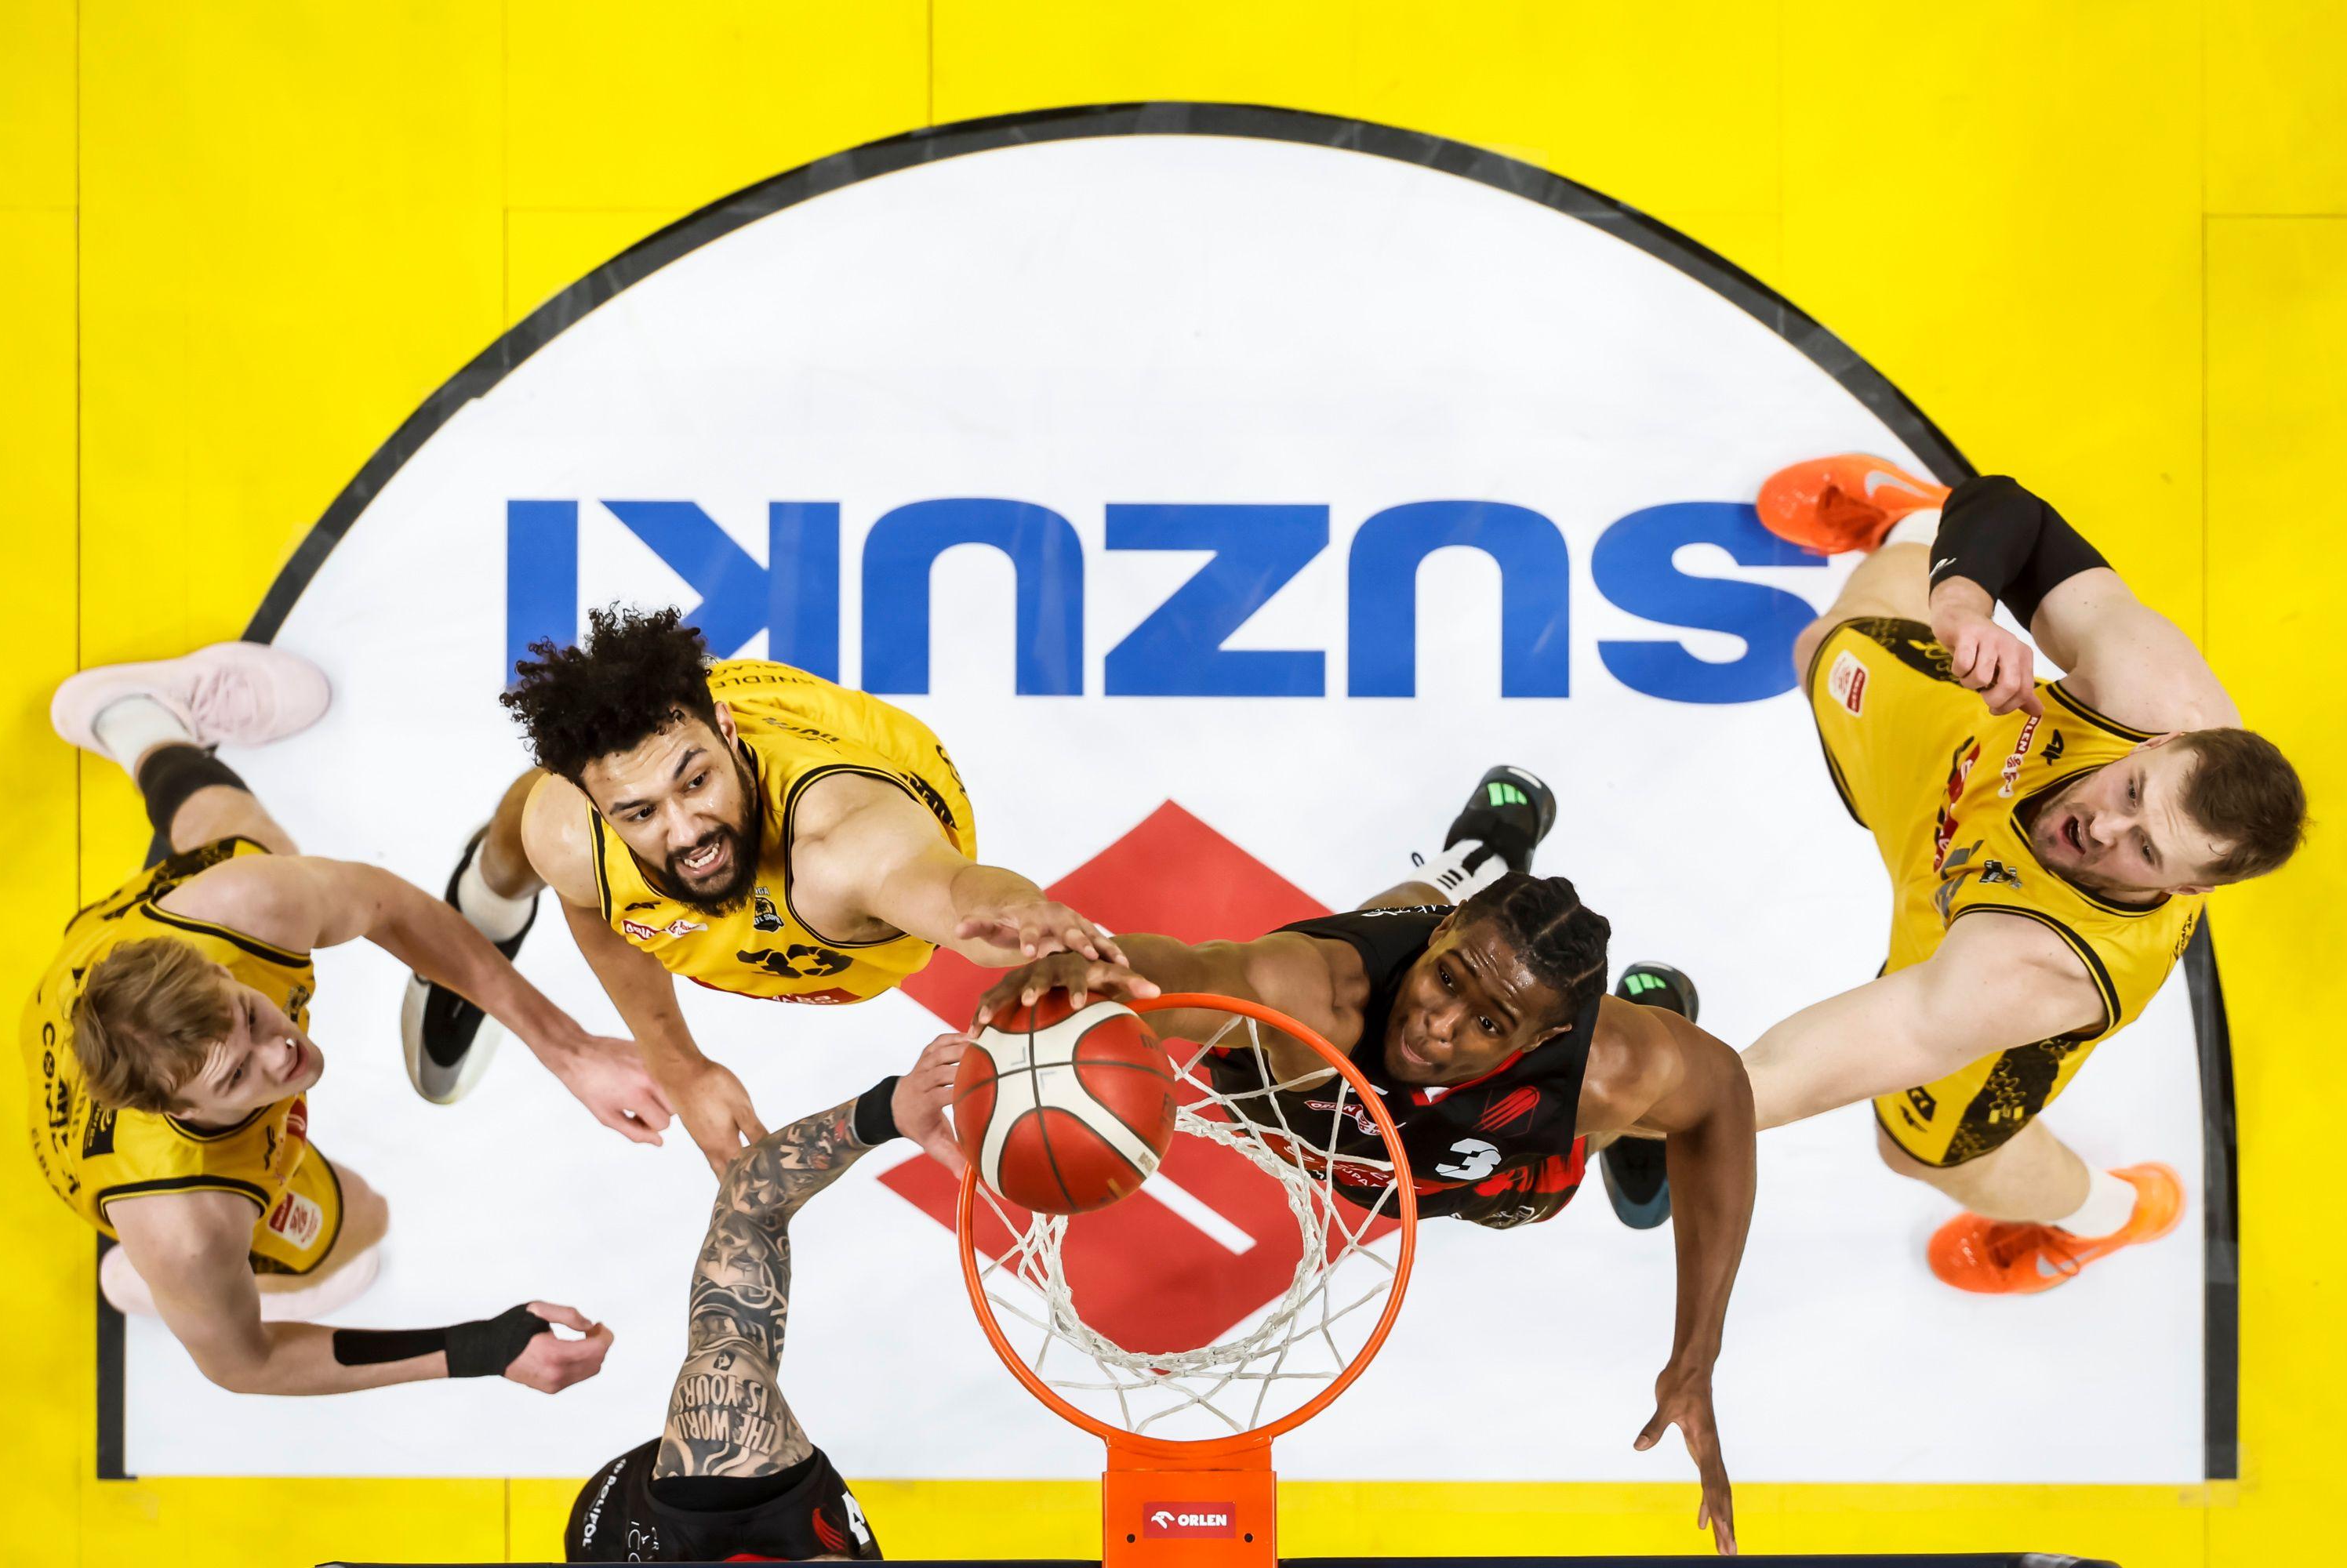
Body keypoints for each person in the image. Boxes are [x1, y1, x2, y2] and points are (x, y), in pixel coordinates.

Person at [973, 768, 1754, 1556]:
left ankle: (1643, 1094)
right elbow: (1185, 971)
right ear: (1443, 934)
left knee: (1598, 1133)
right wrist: (1100, 977)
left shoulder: (1601, 1064)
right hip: (1299, 1104)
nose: (1439, 1024)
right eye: (1445, 976)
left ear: (1541, 1038)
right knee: (1396, 914)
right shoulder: (1318, 995)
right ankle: (1481, 853)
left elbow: (1723, 1091)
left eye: (1488, 1022)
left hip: (1467, 1166)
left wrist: (1697, 1353)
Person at [1633, 455, 2306, 1296]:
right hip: (1969, 757)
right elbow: (2008, 506)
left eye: (2145, 851)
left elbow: (1778, 1075)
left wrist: (1622, 1100)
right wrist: (1962, 605)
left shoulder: (2031, 972)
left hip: (1970, 924)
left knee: (1917, 1151)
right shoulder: (2150, 683)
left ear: (2188, 889)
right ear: (2160, 741)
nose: (2103, 827)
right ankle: (1913, 524)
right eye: (2132, 792)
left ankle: (2115, 1214)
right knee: (1820, 648)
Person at [28, 641, 659, 1396]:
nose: (282, 1054)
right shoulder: (191, 1223)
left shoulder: (236, 912)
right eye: (237, 1073)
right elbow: (246, 1365)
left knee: (263, 855)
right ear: (181, 1108)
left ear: (214, 970)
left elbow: (386, 906)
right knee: (358, 1223)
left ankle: (132, 716)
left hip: (89, 966)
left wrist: (568, 1048)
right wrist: (481, 1350)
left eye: (250, 1015)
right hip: (151, 1202)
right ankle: (185, 1288)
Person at [405, 604, 1117, 1172]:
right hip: (610, 805)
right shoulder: (572, 831)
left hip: (844, 764)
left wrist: (1020, 911)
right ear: (601, 810)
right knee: (528, 827)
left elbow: (958, 893)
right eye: (641, 813)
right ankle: (488, 899)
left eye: (696, 782)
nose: (687, 832)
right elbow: (597, 904)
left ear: (726, 732)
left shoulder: (843, 852)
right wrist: (677, 1065)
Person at [567, 1033, 968, 1561]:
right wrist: (886, 1112)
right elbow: (752, 1207)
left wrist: (885, 1111)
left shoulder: (728, 1440)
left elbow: (752, 1207)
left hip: (660, 1512)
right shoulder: (734, 1445)